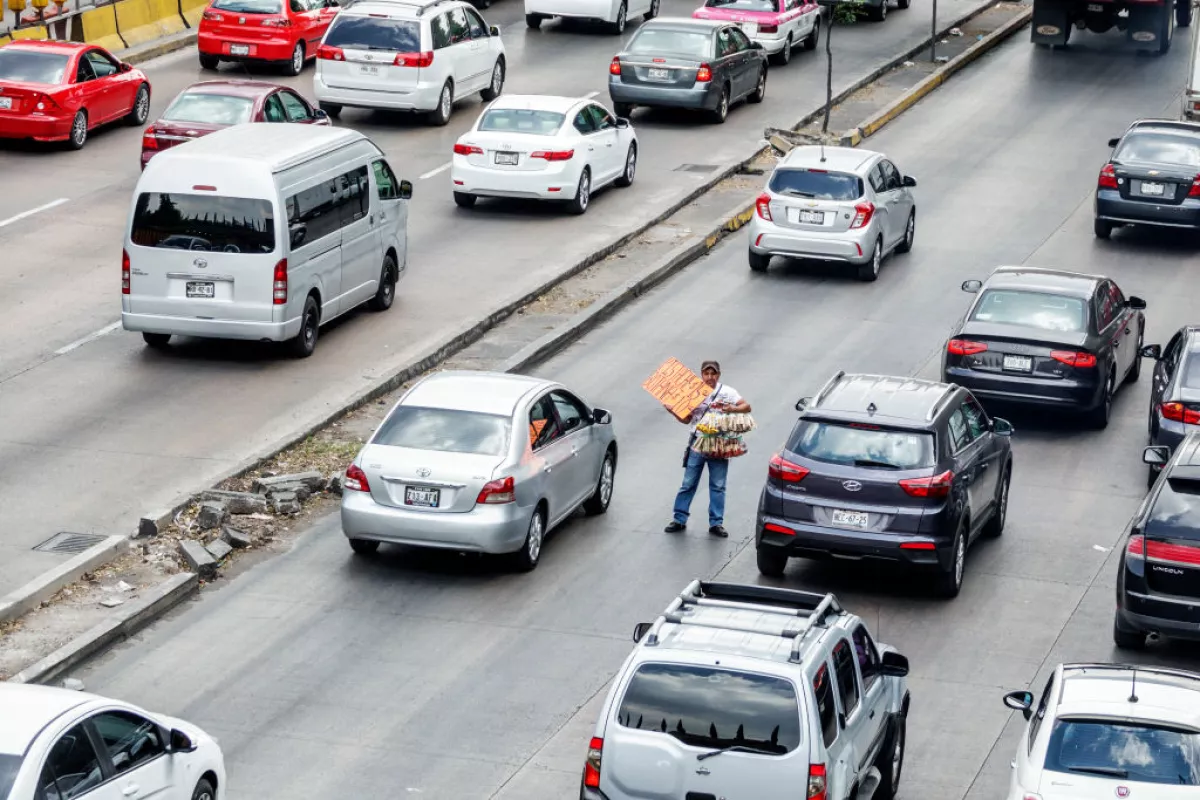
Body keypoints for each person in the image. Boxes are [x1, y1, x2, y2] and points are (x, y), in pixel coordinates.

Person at [664, 360, 751, 538]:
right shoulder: (693, 393)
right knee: (688, 483)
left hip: (719, 443)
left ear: (718, 375)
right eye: (706, 374)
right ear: (702, 375)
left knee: (718, 486)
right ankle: (679, 519)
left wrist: (731, 408)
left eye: (713, 374)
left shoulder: (727, 392)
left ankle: (716, 523)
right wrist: (673, 411)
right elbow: (687, 419)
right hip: (698, 443)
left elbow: (746, 406)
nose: (710, 377)